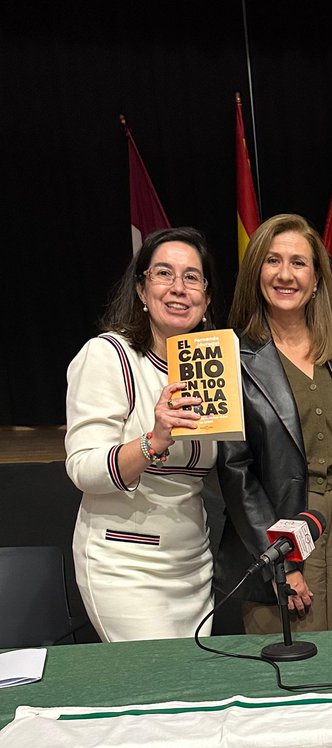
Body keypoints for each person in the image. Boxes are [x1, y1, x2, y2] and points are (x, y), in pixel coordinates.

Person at [215, 213, 332, 633]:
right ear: (256, 271)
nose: (285, 275)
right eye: (273, 261)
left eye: (298, 263)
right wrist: (279, 562)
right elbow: (236, 473)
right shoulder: (231, 357)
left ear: (317, 278)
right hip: (278, 529)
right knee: (292, 672)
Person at [65, 226, 219, 642]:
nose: (178, 288)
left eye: (192, 277)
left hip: (193, 564)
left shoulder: (212, 367)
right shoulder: (108, 355)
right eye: (163, 274)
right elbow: (83, 468)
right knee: (160, 690)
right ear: (141, 289)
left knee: (192, 694)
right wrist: (155, 440)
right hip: (125, 565)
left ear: (206, 297)